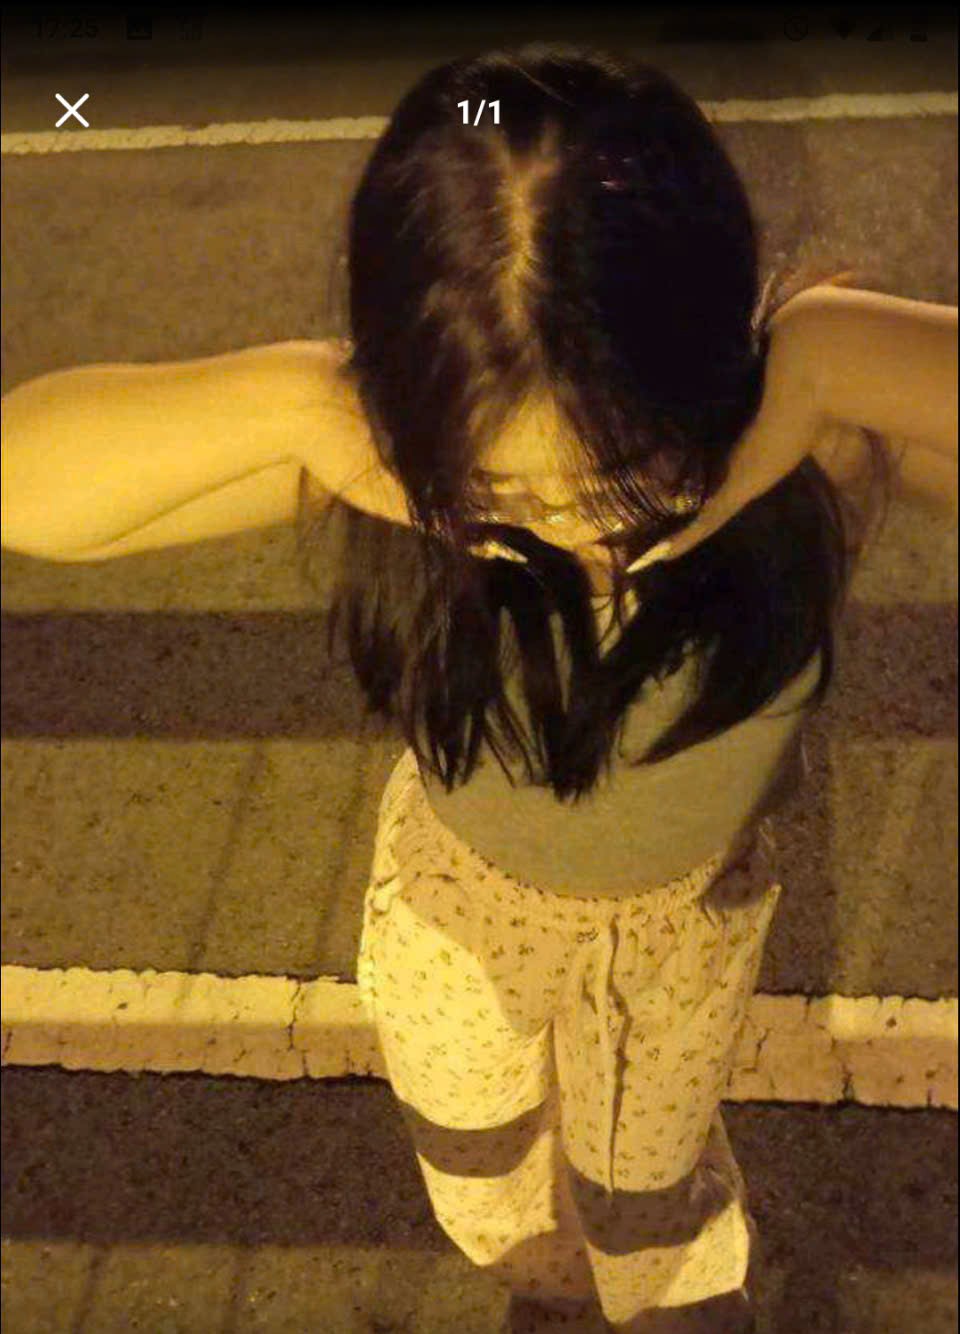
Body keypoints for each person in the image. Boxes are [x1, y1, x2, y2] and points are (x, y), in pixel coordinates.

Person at [2, 44, 956, 1334]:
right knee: (485, 1174)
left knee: (649, 1199)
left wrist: (831, 354)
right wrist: (300, 403)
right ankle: (544, 1291)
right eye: (499, 498)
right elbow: (25, 489)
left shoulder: (812, 451)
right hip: (458, 916)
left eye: (625, 481)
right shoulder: (375, 464)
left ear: (721, 388)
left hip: (674, 938)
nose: (567, 530)